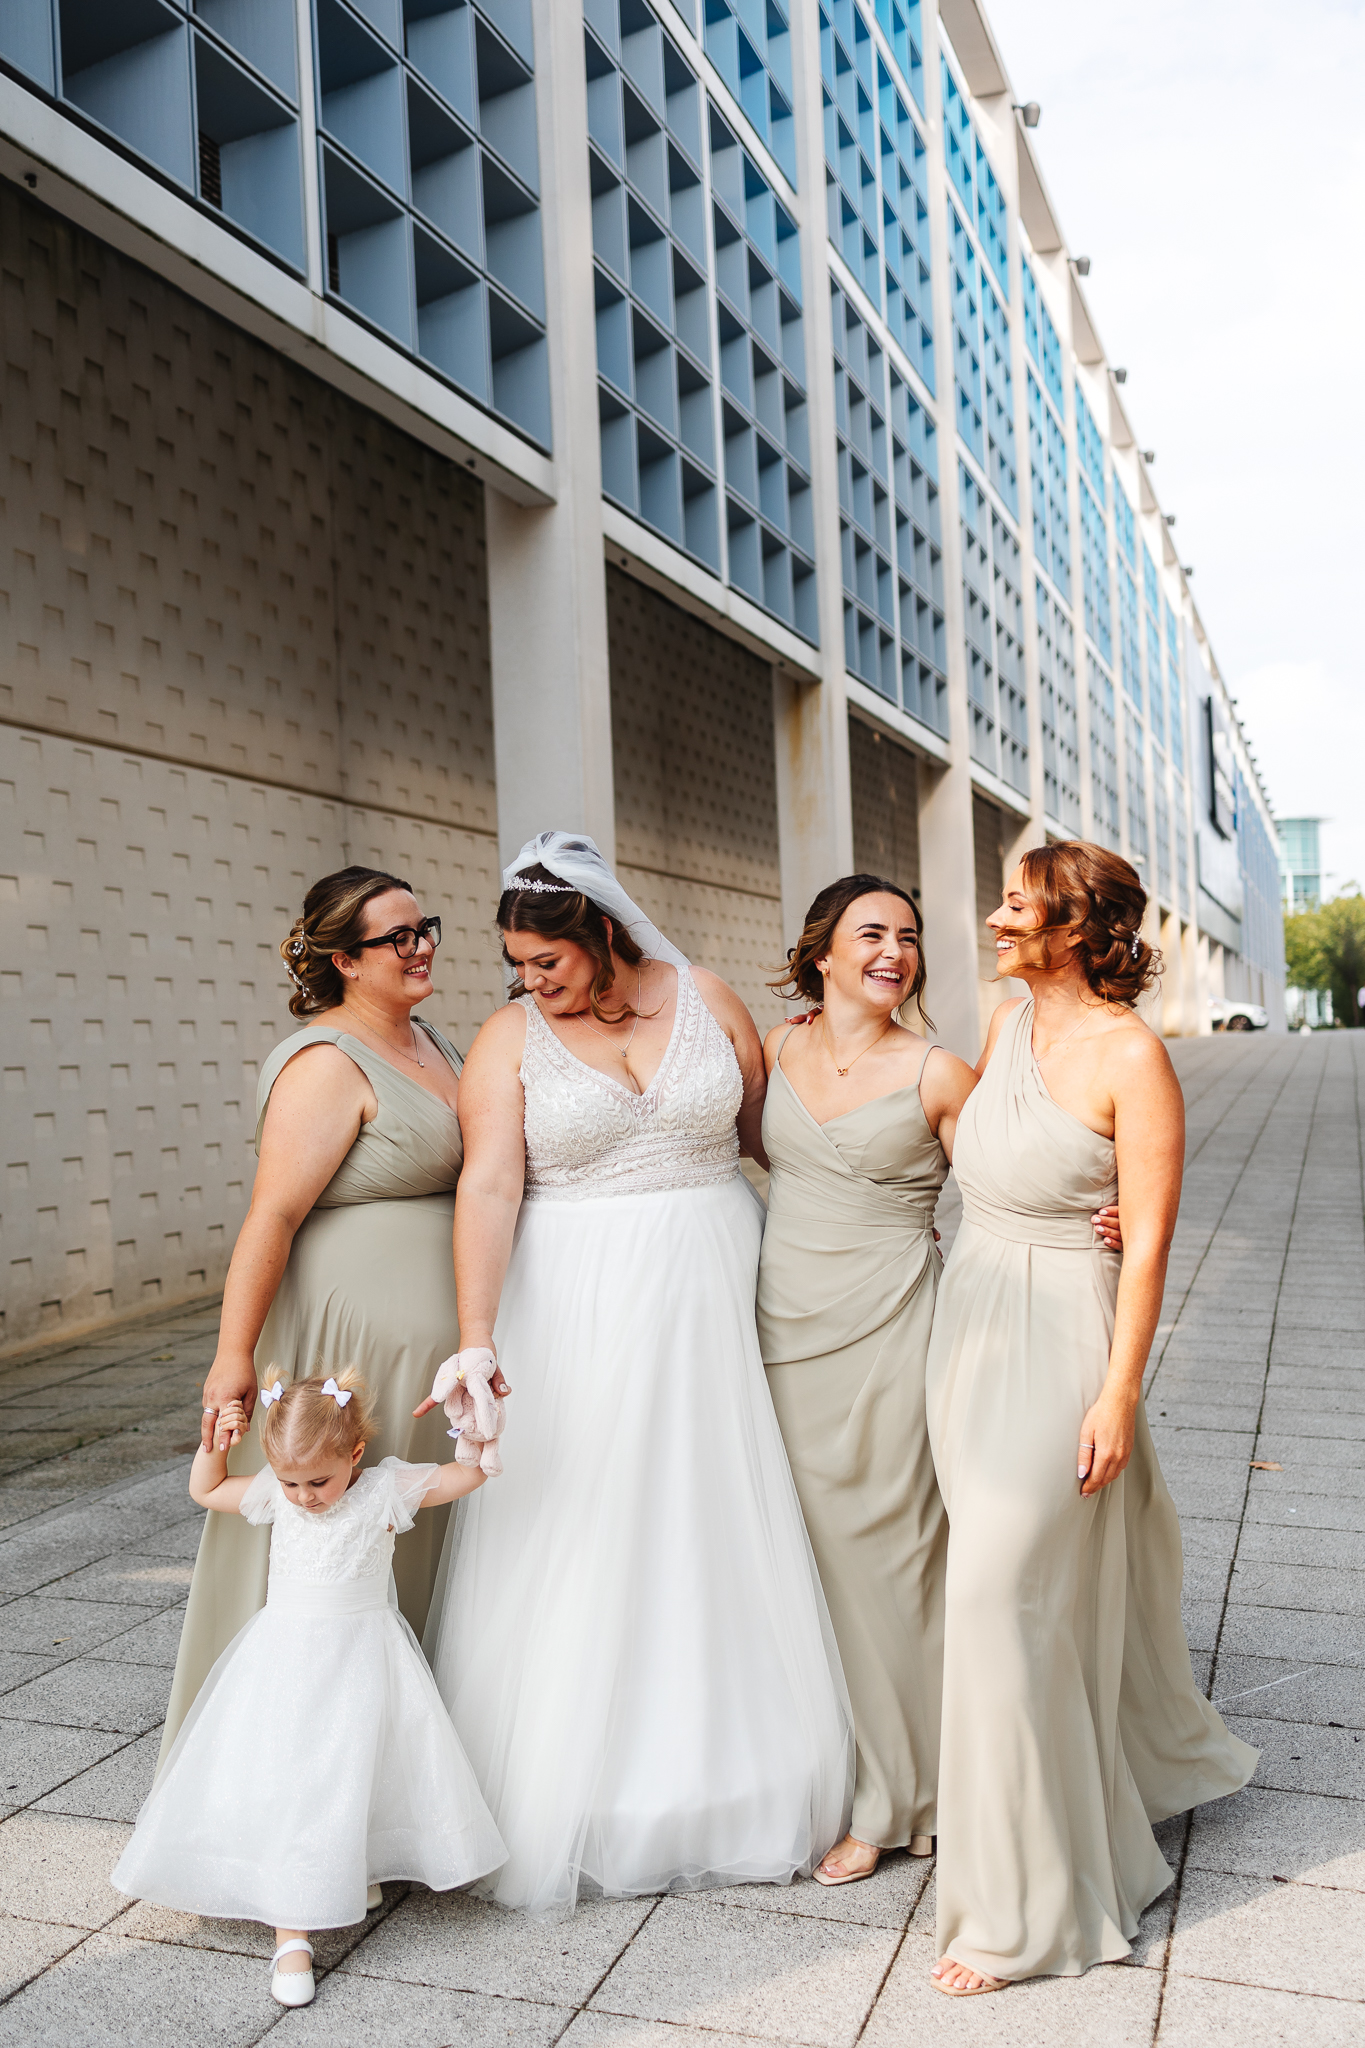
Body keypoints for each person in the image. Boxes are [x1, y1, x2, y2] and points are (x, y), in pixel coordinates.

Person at [422, 832, 852, 1917]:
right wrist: (476, 1336)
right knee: (595, 1517)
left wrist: (891, 1215)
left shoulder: (704, 994)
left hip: (717, 1280)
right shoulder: (507, 1038)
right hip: (578, 1299)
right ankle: (585, 1785)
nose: (532, 980)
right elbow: (488, 1187)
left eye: (548, 960)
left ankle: (740, 1770)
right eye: (518, 964)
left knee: (717, 1511)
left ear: (605, 933)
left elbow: (773, 1138)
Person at [924, 842, 1257, 1996]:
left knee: (993, 1595)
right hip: (966, 1326)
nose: (996, 913)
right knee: (1013, 1597)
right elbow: (982, 1153)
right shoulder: (1005, 1029)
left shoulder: (1133, 1055)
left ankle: (1030, 1904)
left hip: (1064, 1331)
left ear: (1077, 927)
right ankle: (1062, 1817)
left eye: (1020, 900)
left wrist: (1118, 1390)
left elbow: (1153, 1238)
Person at [757, 875, 1121, 1888]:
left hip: (894, 1331)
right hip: (780, 1325)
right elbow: (753, 1150)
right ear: (821, 950)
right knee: (817, 1570)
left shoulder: (940, 1073)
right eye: (871, 932)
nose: (896, 951)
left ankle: (902, 1798)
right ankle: (869, 1766)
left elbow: (1017, 1180)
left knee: (898, 1565)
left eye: (910, 937)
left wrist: (1116, 1206)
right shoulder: (775, 1052)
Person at [161, 867, 488, 1760]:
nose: (419, 946)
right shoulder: (325, 1062)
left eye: (425, 927)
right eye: (396, 937)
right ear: (345, 960)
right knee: (344, 1554)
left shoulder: (434, 1041)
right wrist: (233, 1354)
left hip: (432, 1342)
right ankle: (302, 1780)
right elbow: (271, 1216)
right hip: (353, 1342)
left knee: (411, 1546)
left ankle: (408, 1775)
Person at [112, 1370, 505, 2009]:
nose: (304, 1497)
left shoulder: (381, 1491)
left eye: (318, 1481)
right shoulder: (274, 1492)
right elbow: (204, 1488)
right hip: (286, 1661)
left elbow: (464, 1478)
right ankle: (290, 1930)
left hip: (362, 1655)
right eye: (291, 1482)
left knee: (355, 1766)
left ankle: (353, 1864)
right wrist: (217, 1437)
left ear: (354, 1456)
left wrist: (475, 1437)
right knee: (293, 1775)